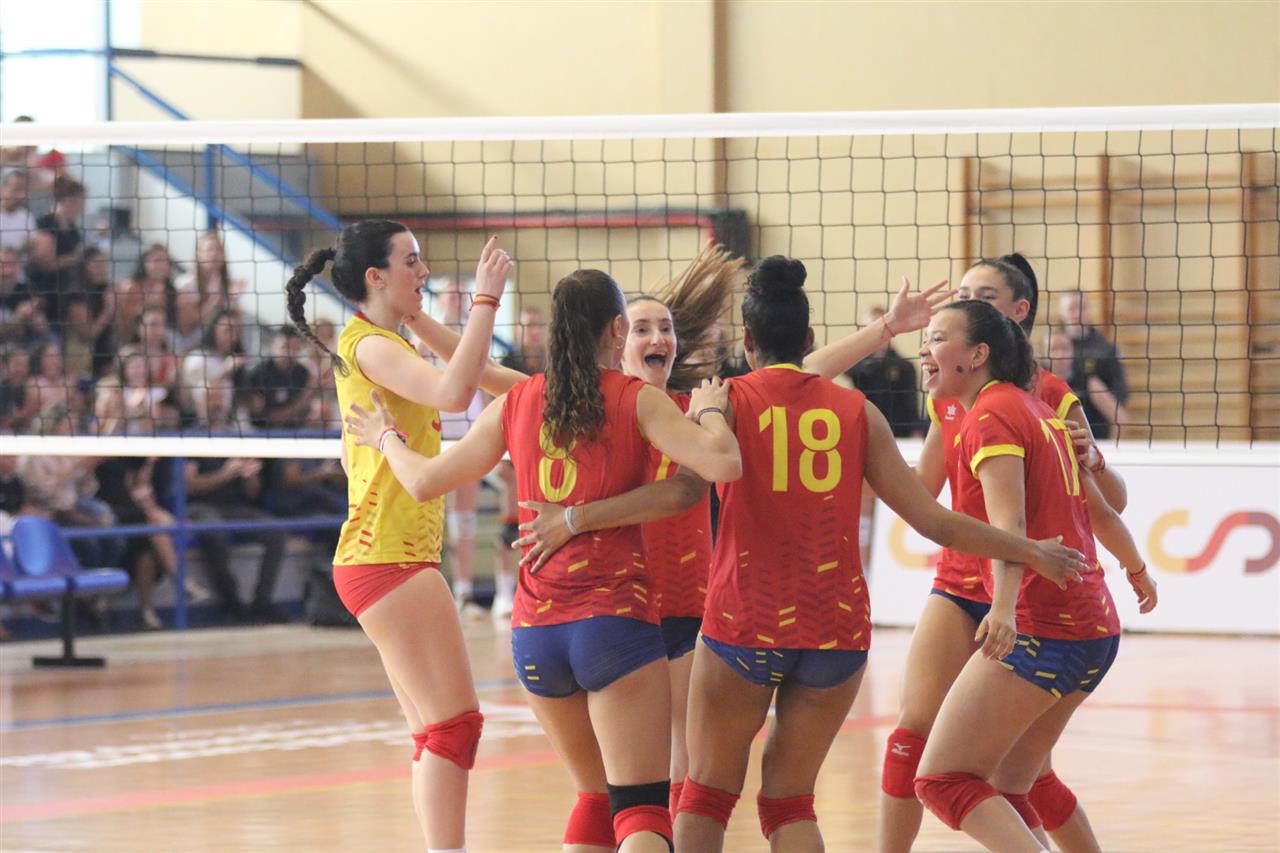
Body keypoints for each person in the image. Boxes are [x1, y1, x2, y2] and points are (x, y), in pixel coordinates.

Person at [656, 257, 1087, 853]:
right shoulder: (858, 412)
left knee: (706, 795)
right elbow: (934, 520)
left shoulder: (724, 402)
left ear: (748, 341)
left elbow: (684, 485)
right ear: (808, 336)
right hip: (835, 632)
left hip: (745, 620)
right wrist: (1027, 549)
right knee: (789, 802)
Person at [344, 266, 744, 852]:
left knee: (594, 798)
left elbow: (427, 479)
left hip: (538, 633)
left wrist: (386, 438)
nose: (655, 338)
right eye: (640, 327)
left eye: (665, 329)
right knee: (641, 808)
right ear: (617, 330)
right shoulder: (639, 402)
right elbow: (717, 468)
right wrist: (711, 413)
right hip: (617, 622)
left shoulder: (525, 398)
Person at [878, 254, 1128, 853]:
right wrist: (851, 469)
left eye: (982, 296)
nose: (966, 301)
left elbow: (1102, 504)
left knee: (1013, 775)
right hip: (966, 581)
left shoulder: (1045, 397)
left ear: (1015, 313)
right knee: (913, 739)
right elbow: (923, 492)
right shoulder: (951, 395)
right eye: (962, 292)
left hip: (1028, 591)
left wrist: (1095, 461)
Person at [287, 219, 512, 853]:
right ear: (376, 277)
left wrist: (424, 320)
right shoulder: (371, 346)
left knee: (438, 732)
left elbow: (468, 378)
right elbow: (453, 391)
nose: (424, 270)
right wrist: (485, 301)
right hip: (387, 557)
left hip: (381, 555)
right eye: (411, 261)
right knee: (454, 728)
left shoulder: (382, 341)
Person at [1057, 291, 1130, 439]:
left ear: (1089, 310)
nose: (1076, 314)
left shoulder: (1104, 349)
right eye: (1071, 308)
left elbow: (1121, 394)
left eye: (1081, 308)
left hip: (1096, 428)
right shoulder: (1052, 344)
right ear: (1061, 312)